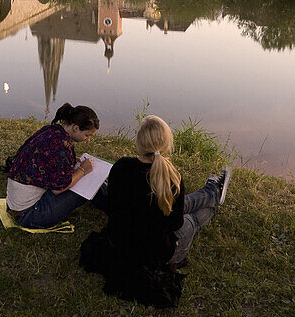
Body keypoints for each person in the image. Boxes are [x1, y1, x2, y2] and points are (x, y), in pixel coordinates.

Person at [79, 115, 231, 308]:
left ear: (139, 141)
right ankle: (214, 195)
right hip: (156, 253)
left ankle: (213, 192)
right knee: (191, 219)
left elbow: (114, 203)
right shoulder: (172, 178)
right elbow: (175, 223)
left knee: (177, 207)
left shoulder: (121, 166)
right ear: (167, 144)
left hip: (120, 242)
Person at [5, 102, 104, 229]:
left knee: (83, 177)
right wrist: (82, 170)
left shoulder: (51, 130)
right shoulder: (61, 146)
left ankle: (110, 200)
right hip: (29, 215)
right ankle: (115, 207)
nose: (88, 139)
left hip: (14, 207)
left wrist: (72, 163)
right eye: (87, 135)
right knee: (87, 181)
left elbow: (46, 161)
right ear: (75, 128)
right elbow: (58, 189)